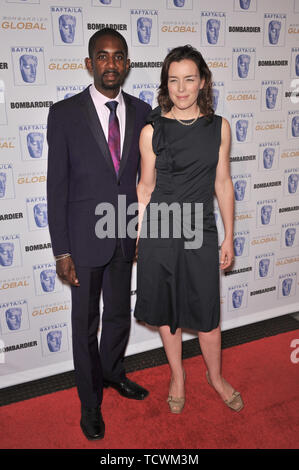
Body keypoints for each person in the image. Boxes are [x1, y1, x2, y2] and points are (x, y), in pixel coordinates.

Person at [47, 28, 151, 441]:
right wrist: (61, 250)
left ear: (127, 64)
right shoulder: (65, 113)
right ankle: (90, 403)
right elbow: (57, 186)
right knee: (85, 323)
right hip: (83, 243)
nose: (111, 63)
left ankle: (112, 373)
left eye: (119, 56)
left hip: (125, 235)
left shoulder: (144, 111)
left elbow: (147, 178)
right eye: (103, 56)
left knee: (119, 317)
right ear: (89, 63)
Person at [134, 45, 244, 414]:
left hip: (201, 230)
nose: (182, 88)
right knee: (168, 313)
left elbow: (224, 184)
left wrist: (229, 235)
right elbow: (145, 187)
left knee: (208, 315)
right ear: (166, 84)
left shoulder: (219, 128)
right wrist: (138, 234)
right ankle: (178, 376)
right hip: (161, 231)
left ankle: (215, 377)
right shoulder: (152, 131)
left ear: (203, 82)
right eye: (174, 80)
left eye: (189, 79)